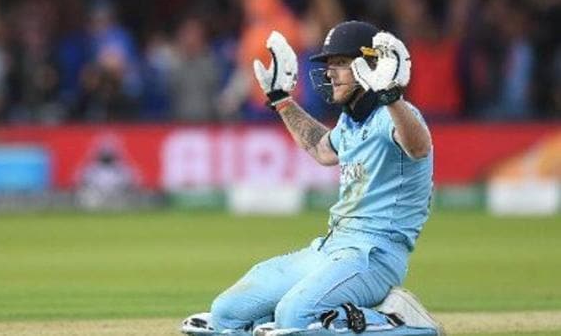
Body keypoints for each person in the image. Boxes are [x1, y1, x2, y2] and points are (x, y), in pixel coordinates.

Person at [182, 21, 444, 336]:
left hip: (375, 255)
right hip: (330, 249)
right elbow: (322, 149)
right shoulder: (351, 120)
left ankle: (401, 322)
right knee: (226, 314)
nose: (331, 72)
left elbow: (418, 147)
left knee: (295, 317)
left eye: (342, 64)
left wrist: (391, 96)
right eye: (329, 64)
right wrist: (281, 100)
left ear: (372, 65)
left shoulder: (398, 115)